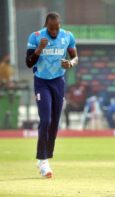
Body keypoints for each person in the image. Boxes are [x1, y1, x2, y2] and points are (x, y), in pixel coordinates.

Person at [25, 12, 78, 178]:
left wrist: (70, 63)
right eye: (51, 29)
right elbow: (28, 63)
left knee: (55, 122)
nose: (54, 32)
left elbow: (75, 57)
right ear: (45, 26)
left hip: (58, 82)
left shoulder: (67, 36)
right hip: (42, 82)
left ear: (59, 26)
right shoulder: (36, 37)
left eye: (56, 28)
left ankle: (47, 156)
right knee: (46, 119)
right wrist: (39, 49)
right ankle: (43, 161)